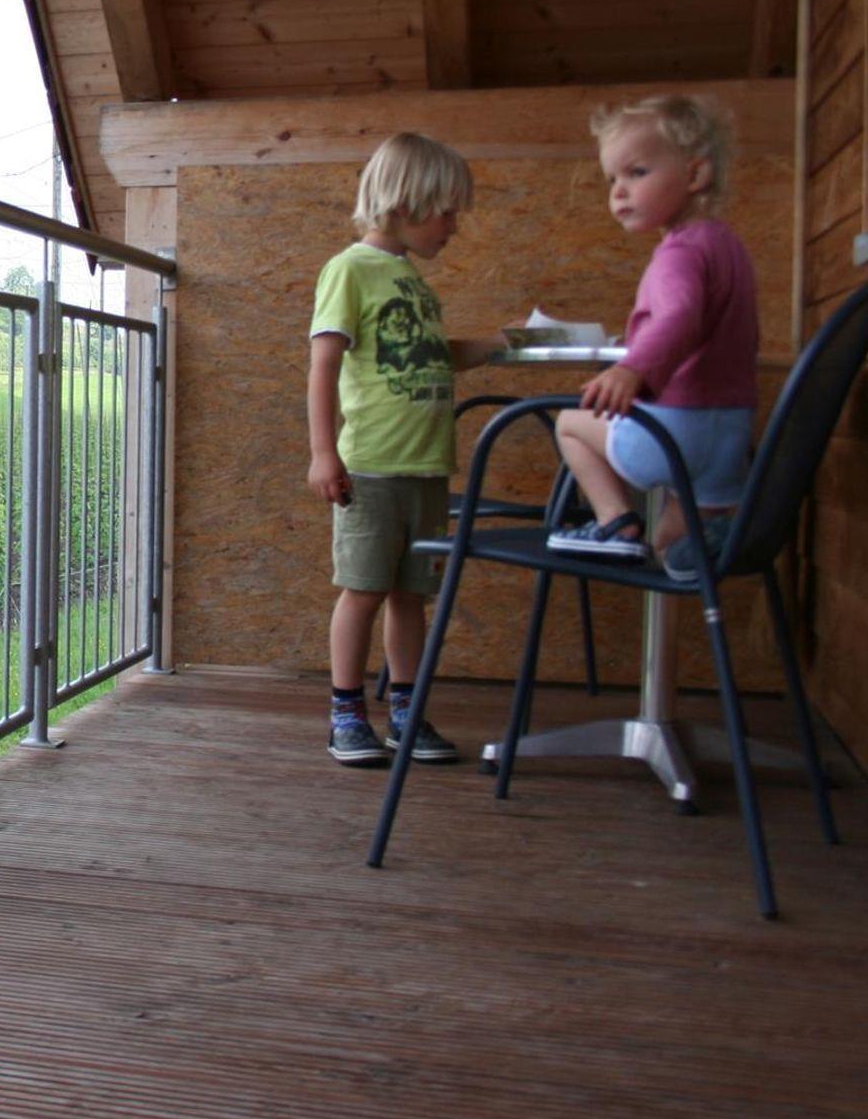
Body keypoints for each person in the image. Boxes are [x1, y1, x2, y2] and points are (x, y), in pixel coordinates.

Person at [308, 133, 502, 766]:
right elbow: (323, 363)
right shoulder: (350, 270)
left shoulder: (412, 282)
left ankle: (406, 714)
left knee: (410, 595)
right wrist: (323, 452)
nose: (453, 226)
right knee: (363, 589)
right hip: (371, 466)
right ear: (404, 203)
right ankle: (345, 713)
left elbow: (430, 356)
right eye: (446, 212)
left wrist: (502, 344)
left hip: (425, 467)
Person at [548, 95, 756, 581]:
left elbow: (680, 314)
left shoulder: (678, 252)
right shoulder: (728, 245)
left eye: (637, 172)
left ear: (695, 174)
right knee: (668, 548)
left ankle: (615, 523)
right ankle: (696, 548)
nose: (619, 191)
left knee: (570, 424)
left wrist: (633, 368)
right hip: (730, 435)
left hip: (673, 431)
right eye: (612, 179)